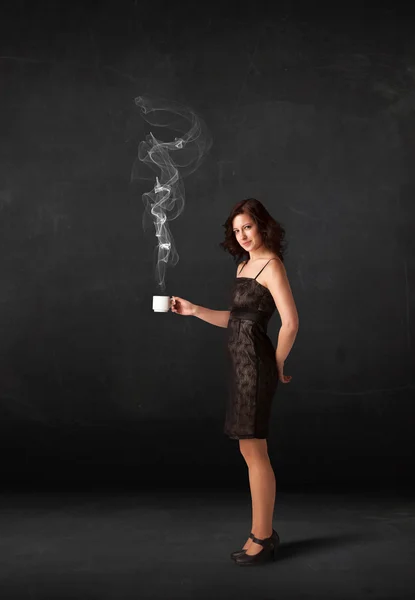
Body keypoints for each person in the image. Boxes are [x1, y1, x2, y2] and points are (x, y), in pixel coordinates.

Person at [170, 198, 299, 565]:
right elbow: (237, 319)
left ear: (262, 226)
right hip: (241, 367)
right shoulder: (244, 265)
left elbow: (290, 322)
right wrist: (194, 310)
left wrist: (276, 362)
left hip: (256, 365)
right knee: (249, 450)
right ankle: (262, 533)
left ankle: (263, 536)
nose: (242, 235)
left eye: (248, 227)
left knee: (254, 450)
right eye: (237, 229)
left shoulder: (272, 265)